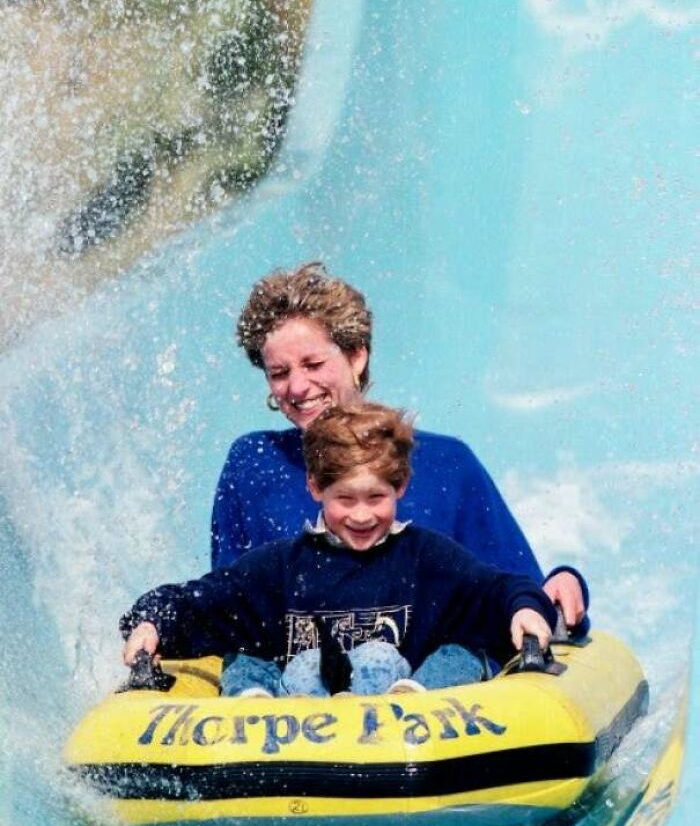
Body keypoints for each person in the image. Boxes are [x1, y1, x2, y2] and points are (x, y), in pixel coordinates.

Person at [211, 262, 589, 630]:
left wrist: (563, 582)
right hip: (294, 670)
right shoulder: (253, 463)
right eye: (279, 373)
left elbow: (518, 592)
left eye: (313, 364)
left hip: (427, 671)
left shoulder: (447, 464)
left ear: (356, 355)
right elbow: (226, 605)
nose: (296, 387)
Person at [122, 403, 558, 698]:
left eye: (376, 498)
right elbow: (206, 599)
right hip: (298, 715)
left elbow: (493, 588)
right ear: (315, 488)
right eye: (345, 499)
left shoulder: (426, 558)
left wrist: (524, 608)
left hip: (408, 720)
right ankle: (253, 706)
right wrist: (151, 621)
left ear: (401, 487)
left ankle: (415, 699)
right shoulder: (282, 566)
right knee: (245, 653)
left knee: (461, 654)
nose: (362, 515)